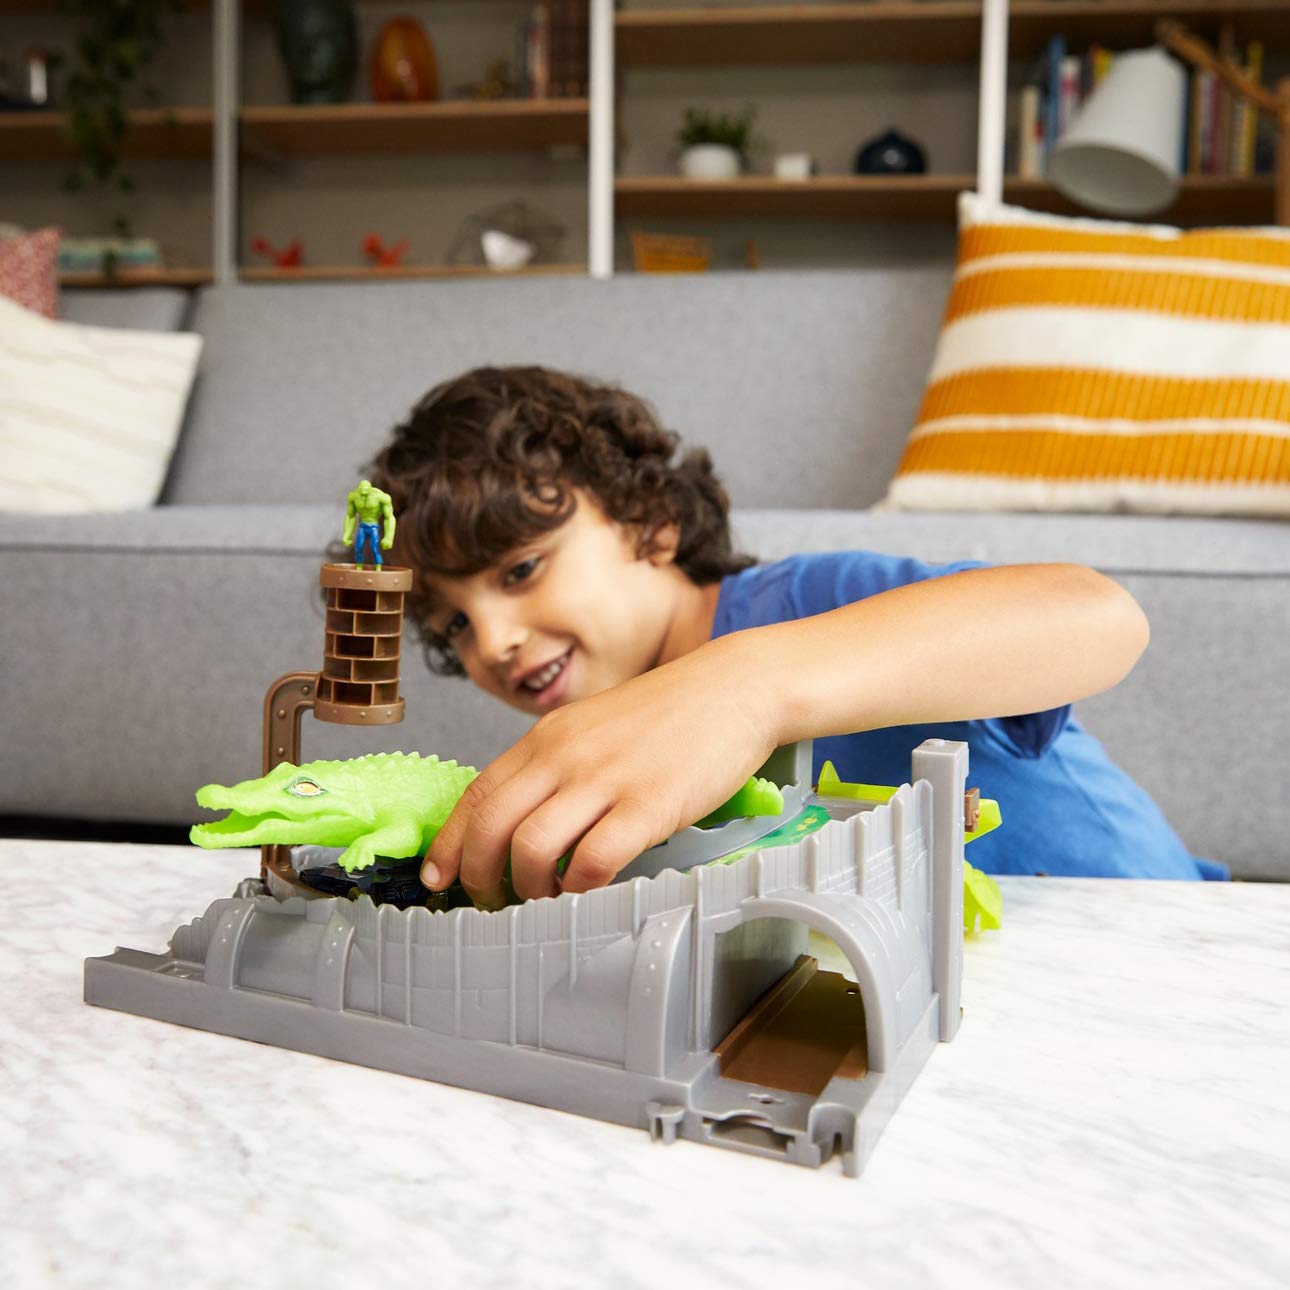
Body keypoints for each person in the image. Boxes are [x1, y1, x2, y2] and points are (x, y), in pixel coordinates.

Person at [367, 366, 1226, 908]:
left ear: (651, 521)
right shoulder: (618, 758)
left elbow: (1096, 614)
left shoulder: (808, 606)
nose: (493, 641)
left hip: (1152, 935)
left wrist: (748, 687)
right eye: (455, 625)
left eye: (521, 570)